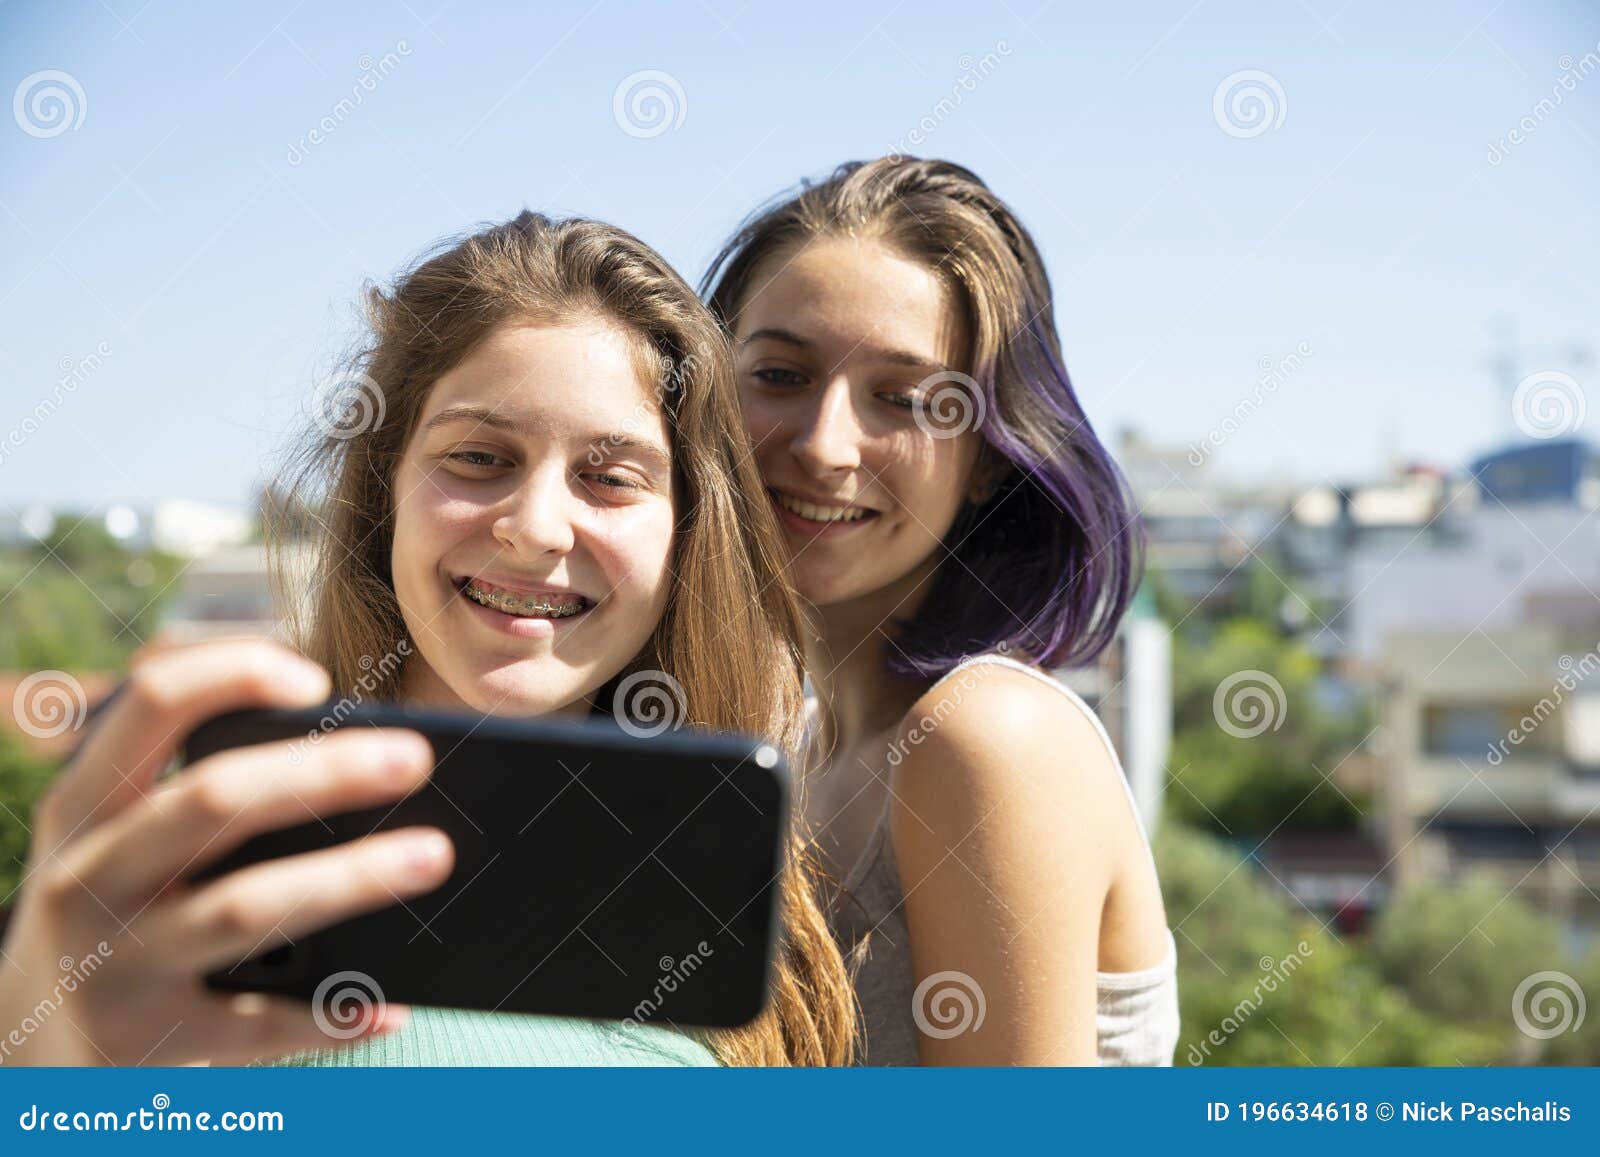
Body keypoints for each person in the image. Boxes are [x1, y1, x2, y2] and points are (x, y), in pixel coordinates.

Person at [0, 212, 855, 1068]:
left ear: (687, 532)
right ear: (387, 494)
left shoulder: (749, 894)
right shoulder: (196, 855)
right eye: (479, 458)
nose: (536, 528)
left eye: (609, 476)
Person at [703, 157, 1180, 1065]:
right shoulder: (795, 745)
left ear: (994, 456)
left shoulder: (986, 736)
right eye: (778, 374)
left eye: (906, 398)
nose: (824, 445)